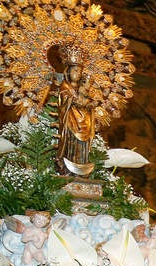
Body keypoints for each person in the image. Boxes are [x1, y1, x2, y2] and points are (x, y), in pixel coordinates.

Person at [56, 45, 95, 177]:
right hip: (71, 120)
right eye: (75, 70)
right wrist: (77, 99)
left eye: (79, 71)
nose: (77, 74)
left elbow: (89, 101)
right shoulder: (65, 86)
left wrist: (89, 104)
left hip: (85, 121)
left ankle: (82, 169)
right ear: (68, 71)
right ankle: (69, 169)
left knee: (83, 145)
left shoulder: (84, 88)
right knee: (71, 143)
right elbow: (65, 100)